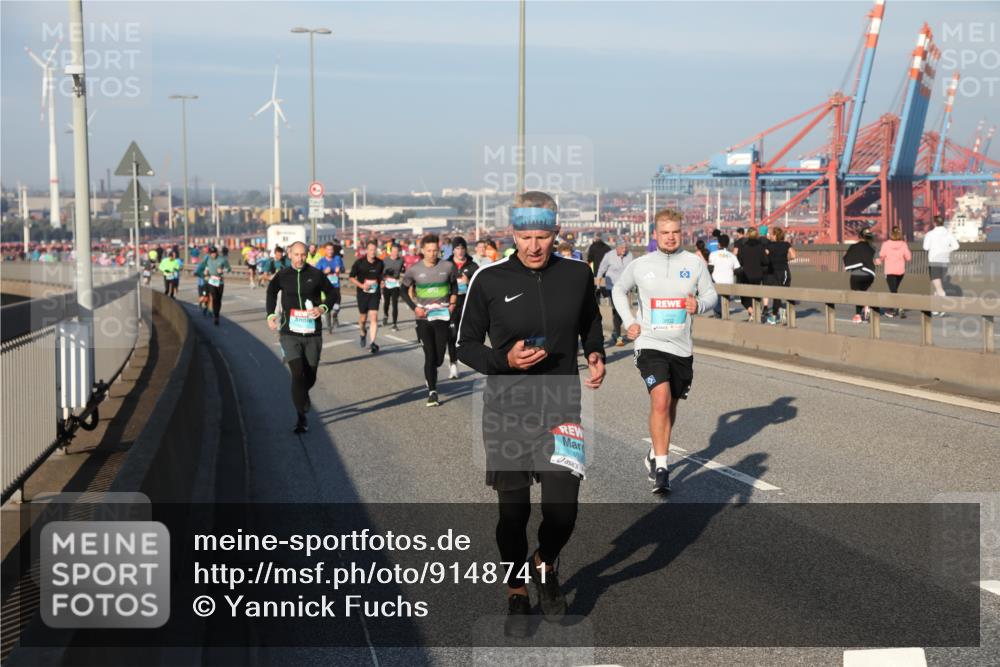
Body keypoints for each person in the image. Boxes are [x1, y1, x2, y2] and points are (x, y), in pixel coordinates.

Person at [457, 191, 605, 637]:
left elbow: (589, 321)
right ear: (513, 234)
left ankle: (544, 562)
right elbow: (464, 345)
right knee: (513, 514)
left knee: (563, 512)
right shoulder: (489, 279)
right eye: (525, 236)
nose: (534, 246)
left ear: (557, 233)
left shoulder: (578, 274)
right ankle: (517, 590)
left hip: (562, 408)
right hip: (507, 411)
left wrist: (595, 351)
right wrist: (504, 361)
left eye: (543, 236)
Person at [612, 208, 717, 494]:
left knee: (670, 405)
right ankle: (662, 467)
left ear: (682, 233)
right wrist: (630, 322)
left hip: (682, 347)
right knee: (660, 400)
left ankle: (654, 453)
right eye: (665, 233)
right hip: (650, 344)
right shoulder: (641, 264)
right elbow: (618, 290)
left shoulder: (694, 264)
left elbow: (712, 295)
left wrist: (700, 305)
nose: (670, 238)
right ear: (655, 235)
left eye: (675, 232)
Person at [266, 242, 339, 434]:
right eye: (296, 255)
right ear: (290, 255)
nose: (300, 258)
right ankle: (301, 417)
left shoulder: (316, 275)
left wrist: (322, 308)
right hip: (289, 333)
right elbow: (271, 292)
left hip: (312, 333)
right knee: (297, 373)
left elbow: (333, 293)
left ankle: (302, 394)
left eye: (303, 255)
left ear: (307, 255)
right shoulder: (283, 275)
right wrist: (270, 314)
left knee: (310, 375)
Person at [401, 234, 459, 406]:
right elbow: (403, 290)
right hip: (423, 318)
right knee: (429, 355)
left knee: (439, 358)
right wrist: (415, 308)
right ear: (422, 251)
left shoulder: (448, 266)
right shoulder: (414, 269)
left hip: (442, 317)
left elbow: (454, 285)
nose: (433, 254)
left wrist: (453, 303)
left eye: (435, 250)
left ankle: (432, 373)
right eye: (429, 251)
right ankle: (432, 392)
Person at [447, 237, 478, 380]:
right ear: (453, 250)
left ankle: (468, 358)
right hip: (451, 304)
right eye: (457, 248)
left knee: (465, 335)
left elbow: (480, 287)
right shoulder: (446, 265)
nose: (460, 251)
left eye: (462, 248)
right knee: (452, 335)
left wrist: (469, 281)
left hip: (468, 305)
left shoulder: (473, 266)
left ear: (466, 249)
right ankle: (453, 364)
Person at [349, 240, 384, 353]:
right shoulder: (359, 263)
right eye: (370, 250)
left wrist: (382, 282)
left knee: (374, 317)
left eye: (374, 250)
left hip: (374, 293)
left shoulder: (380, 263)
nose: (372, 252)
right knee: (363, 319)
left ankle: (372, 342)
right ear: (367, 250)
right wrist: (361, 285)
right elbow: (351, 277)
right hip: (362, 294)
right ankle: (362, 332)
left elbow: (380, 277)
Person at [596, 239, 633, 346]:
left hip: (624, 287)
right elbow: (601, 269)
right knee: (617, 309)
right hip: (611, 286)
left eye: (626, 248)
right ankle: (618, 337)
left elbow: (632, 270)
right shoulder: (609, 256)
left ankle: (615, 333)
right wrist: (598, 286)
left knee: (622, 310)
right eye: (622, 248)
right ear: (616, 248)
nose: (624, 250)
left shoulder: (629, 255)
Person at [922, 215, 959, 316]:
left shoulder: (930, 234)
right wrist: (947, 250)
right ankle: (935, 309)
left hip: (934, 262)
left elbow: (925, 248)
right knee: (937, 286)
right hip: (944, 262)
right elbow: (956, 246)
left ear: (934, 223)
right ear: (943, 222)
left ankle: (942, 308)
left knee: (938, 288)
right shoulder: (948, 233)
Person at [844, 228, 880, 323]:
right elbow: (877, 262)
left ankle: (858, 315)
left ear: (860, 236)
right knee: (864, 291)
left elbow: (846, 258)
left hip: (856, 275)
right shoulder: (873, 248)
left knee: (857, 295)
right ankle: (866, 306)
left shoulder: (853, 247)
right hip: (869, 275)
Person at [763, 227, 796, 325]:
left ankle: (774, 317)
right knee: (785, 292)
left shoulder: (769, 245)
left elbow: (765, 257)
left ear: (775, 235)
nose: (769, 235)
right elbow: (794, 255)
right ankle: (786, 312)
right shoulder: (786, 244)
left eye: (771, 234)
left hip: (774, 272)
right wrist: (786, 259)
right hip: (785, 272)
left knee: (776, 294)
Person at [736, 228, 768, 322]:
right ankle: (755, 314)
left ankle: (752, 312)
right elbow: (765, 261)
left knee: (744, 296)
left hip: (746, 274)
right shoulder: (760, 247)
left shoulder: (743, 247)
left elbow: (740, 261)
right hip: (758, 274)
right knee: (756, 295)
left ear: (748, 235)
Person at [879, 226, 912, 318]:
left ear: (891, 234)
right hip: (900, 272)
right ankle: (894, 308)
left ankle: (896, 308)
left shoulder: (885, 244)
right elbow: (909, 258)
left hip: (889, 271)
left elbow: (881, 255)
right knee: (894, 290)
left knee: (893, 291)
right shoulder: (903, 244)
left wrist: (880, 260)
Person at [314, 242, 345, 332]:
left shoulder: (337, 259)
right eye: (328, 249)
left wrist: (340, 270)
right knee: (327, 306)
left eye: (331, 249)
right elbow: (316, 274)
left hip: (336, 286)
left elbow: (343, 268)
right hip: (325, 287)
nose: (330, 251)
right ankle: (329, 326)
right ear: (325, 251)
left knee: (337, 305)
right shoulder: (321, 261)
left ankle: (335, 315)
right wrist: (324, 272)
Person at [708, 234, 740, 317]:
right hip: (728, 283)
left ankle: (719, 316)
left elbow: (710, 269)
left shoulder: (713, 254)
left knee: (717, 305)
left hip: (717, 283)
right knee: (725, 303)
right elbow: (738, 270)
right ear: (728, 244)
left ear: (718, 244)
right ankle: (723, 315)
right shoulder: (732, 256)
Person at [200, 246, 232, 326]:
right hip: (211, 281)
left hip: (220, 281)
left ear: (217, 253)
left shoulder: (222, 259)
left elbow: (229, 269)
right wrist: (206, 271)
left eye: (214, 253)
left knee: (219, 299)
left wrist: (222, 270)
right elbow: (205, 267)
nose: (213, 254)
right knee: (214, 298)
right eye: (211, 253)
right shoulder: (208, 259)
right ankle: (216, 316)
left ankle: (217, 313)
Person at [381, 244, 405, 330]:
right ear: (390, 252)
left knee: (395, 304)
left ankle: (395, 324)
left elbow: (402, 269)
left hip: (395, 284)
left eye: (396, 251)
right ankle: (385, 315)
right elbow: (381, 272)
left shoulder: (401, 260)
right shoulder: (385, 260)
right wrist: (383, 279)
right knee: (386, 302)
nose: (395, 253)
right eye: (393, 251)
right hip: (387, 283)